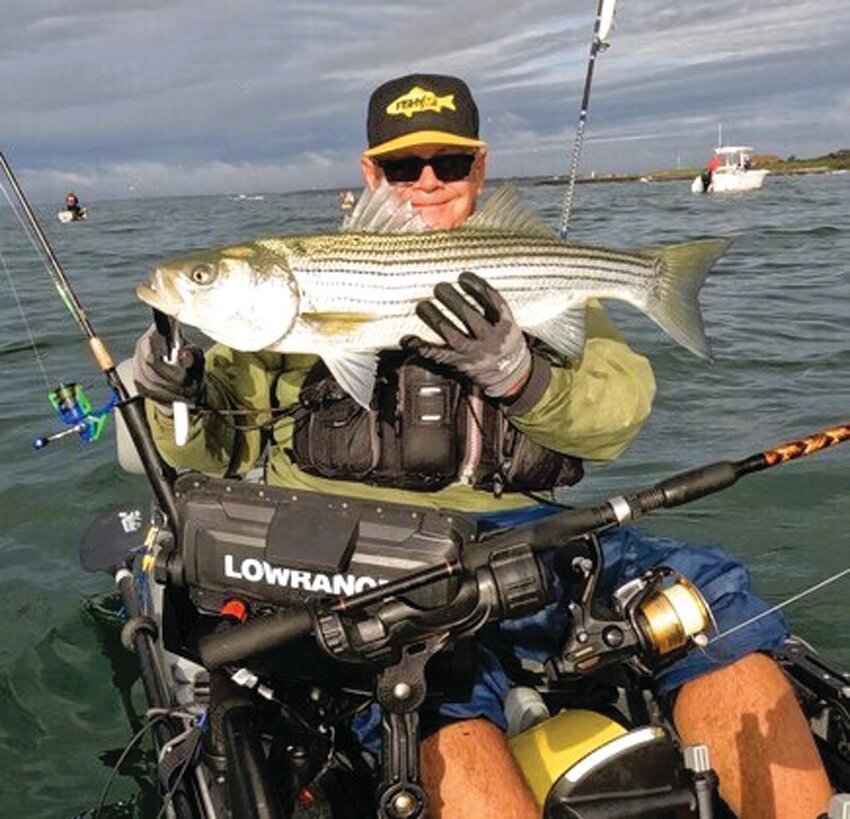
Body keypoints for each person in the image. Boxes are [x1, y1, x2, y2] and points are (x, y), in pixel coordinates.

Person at [134, 74, 832, 818]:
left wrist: (526, 378)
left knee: (700, 597)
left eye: (450, 163)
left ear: (481, 167)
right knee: (433, 702)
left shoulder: (532, 263)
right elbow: (203, 458)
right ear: (372, 174)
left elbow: (618, 416)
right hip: (365, 558)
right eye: (404, 167)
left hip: (524, 538)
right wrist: (167, 395)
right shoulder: (277, 307)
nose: (428, 182)